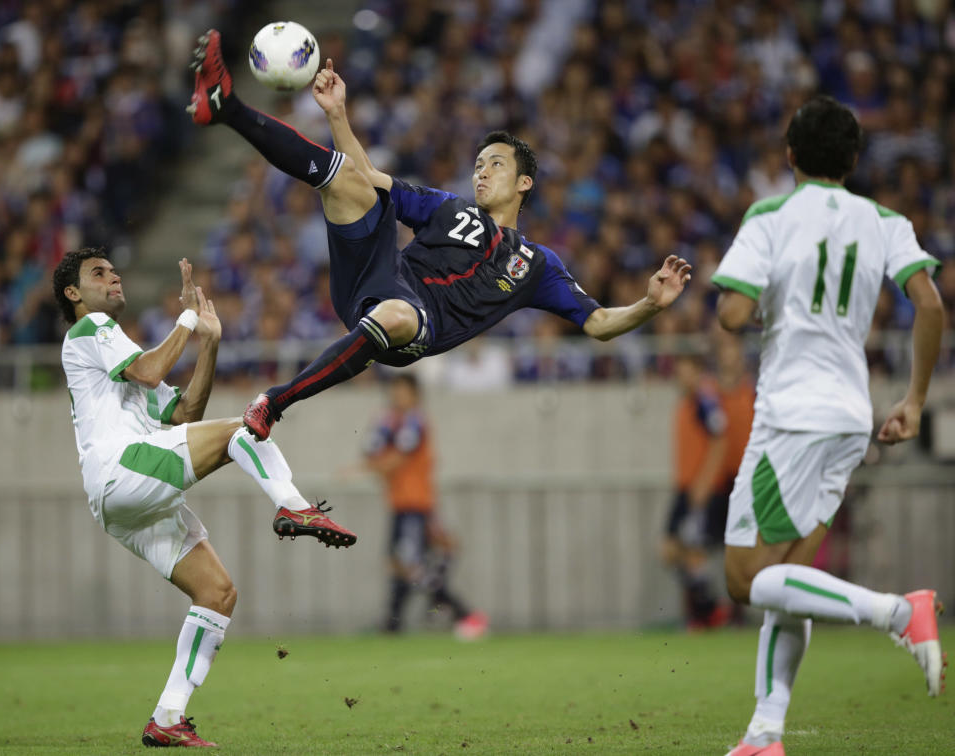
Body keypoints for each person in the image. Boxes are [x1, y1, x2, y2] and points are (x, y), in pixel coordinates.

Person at [185, 30, 692, 441]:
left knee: (398, 313)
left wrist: (649, 304)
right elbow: (370, 179)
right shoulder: (447, 207)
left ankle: (274, 402)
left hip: (415, 326)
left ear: (524, 183)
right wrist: (337, 114)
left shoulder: (536, 264)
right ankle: (224, 105)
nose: (482, 172)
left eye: (495, 164)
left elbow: (599, 323)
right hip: (370, 279)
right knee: (345, 180)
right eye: (478, 164)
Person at [712, 96, 946, 756]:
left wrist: (735, 293)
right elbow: (929, 303)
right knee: (788, 582)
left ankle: (898, 612)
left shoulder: (771, 216)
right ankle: (765, 733)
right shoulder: (884, 221)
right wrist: (916, 399)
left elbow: (732, 316)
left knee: (743, 578)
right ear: (852, 160)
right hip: (851, 415)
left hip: (790, 414)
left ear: (789, 157)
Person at [53, 248, 356, 748]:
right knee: (247, 429)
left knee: (217, 595)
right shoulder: (89, 332)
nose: (113, 277)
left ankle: (168, 716)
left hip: (122, 500)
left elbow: (187, 412)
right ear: (73, 293)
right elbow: (151, 372)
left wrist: (209, 343)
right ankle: (292, 505)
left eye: (113, 269)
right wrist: (188, 318)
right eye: (98, 273)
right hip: (121, 470)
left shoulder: (118, 358)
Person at [363, 373, 487, 638]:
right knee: (398, 563)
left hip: (415, 503)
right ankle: (392, 624)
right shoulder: (390, 422)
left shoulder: (415, 421)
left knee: (411, 565)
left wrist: (369, 466)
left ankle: (465, 615)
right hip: (399, 502)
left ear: (415, 395)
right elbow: (374, 452)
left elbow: (396, 458)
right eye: (394, 391)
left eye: (403, 391)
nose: (397, 396)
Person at [661, 354, 732, 629]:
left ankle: (706, 615)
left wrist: (704, 482)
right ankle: (709, 609)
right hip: (685, 488)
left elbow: (720, 440)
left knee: (694, 550)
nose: (682, 377)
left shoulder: (706, 401)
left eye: (687, 371)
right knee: (670, 549)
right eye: (679, 372)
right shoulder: (687, 402)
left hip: (700, 489)